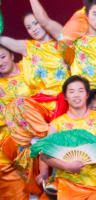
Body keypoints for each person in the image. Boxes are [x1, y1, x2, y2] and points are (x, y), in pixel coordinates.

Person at [38, 76, 96, 200]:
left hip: (93, 185)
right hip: (65, 183)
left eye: (80, 90)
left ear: (87, 94)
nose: (76, 95)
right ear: (65, 96)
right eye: (71, 91)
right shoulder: (56, 125)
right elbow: (45, 156)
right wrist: (67, 166)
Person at [0, 45, 31, 199]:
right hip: (12, 140)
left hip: (38, 131)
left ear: (12, 55)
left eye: (2, 56)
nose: (0, 62)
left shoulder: (28, 67)